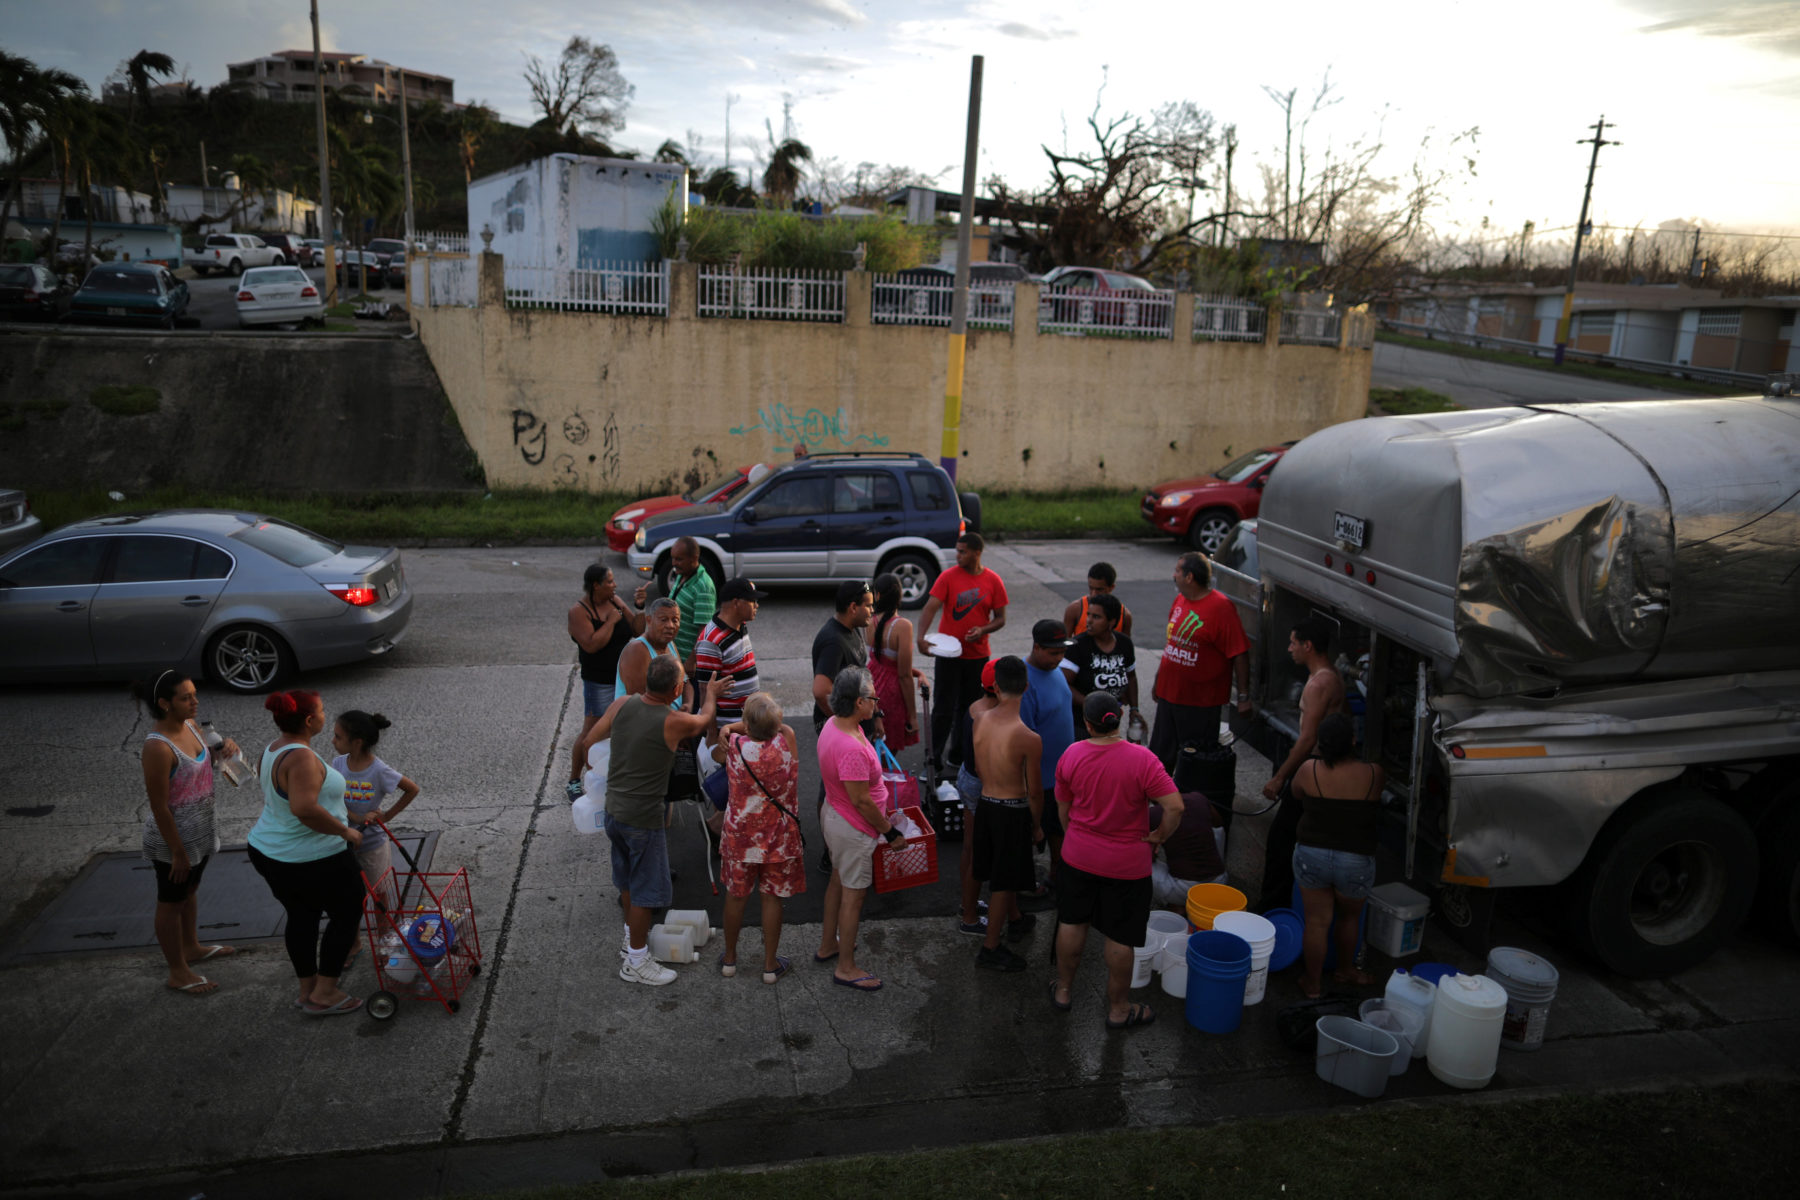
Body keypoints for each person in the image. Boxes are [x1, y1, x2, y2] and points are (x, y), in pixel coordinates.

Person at [588, 655, 729, 986]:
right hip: (643, 820)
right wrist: (710, 693)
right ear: (677, 688)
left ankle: (630, 942)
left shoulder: (622, 703)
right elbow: (705, 718)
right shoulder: (673, 720)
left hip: (614, 812)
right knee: (645, 893)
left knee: (626, 882)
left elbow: (588, 741)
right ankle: (636, 961)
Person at [1052, 692, 1183, 1029]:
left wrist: (1076, 838)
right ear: (1120, 718)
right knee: (1120, 937)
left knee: (1071, 922)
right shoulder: (1143, 760)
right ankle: (1119, 1009)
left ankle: (1063, 991)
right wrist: (1160, 836)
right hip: (1127, 865)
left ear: (1087, 722)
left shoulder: (1071, 754)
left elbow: (1064, 810)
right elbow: (1175, 806)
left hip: (1078, 856)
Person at [247, 689, 368, 1016]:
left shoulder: (273, 748)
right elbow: (304, 808)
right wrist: (346, 831)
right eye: (323, 711)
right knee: (347, 911)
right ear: (310, 720)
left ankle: (307, 989)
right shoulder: (301, 757)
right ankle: (325, 992)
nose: (327, 716)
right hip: (310, 857)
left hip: (270, 851)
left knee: (302, 916)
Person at [134, 670, 238, 996]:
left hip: (200, 832)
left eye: (194, 694)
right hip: (172, 842)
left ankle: (191, 947)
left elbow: (209, 765)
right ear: (164, 703)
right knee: (170, 902)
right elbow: (160, 807)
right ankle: (177, 971)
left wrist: (227, 750)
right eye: (185, 697)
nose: (195, 702)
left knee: (189, 891)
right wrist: (176, 851)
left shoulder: (192, 727)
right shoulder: (157, 747)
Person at [814, 667, 909, 993]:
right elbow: (862, 801)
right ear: (857, 702)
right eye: (872, 698)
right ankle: (846, 968)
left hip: (835, 816)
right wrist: (890, 832)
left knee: (838, 882)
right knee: (854, 898)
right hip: (852, 828)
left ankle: (829, 945)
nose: (876, 703)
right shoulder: (852, 746)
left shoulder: (833, 724)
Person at [710, 693, 803, 984]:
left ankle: (729, 959)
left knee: (736, 897)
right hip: (778, 839)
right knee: (771, 900)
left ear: (747, 726)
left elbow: (716, 752)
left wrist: (727, 729)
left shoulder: (736, 747)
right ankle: (769, 965)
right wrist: (757, 724)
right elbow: (782, 727)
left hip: (740, 841)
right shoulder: (786, 742)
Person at [1257, 616, 1349, 911]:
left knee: (1281, 839)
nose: (1289, 649)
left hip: (1316, 766)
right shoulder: (1329, 676)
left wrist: (1280, 777)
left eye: (1293, 643)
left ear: (1308, 646)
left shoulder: (1319, 683)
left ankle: (1273, 906)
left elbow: (1308, 739)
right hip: (1324, 766)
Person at [1291, 713, 1384, 998]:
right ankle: (1346, 970)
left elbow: (1296, 794)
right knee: (1348, 919)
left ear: (1322, 744)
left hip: (1312, 855)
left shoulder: (1309, 770)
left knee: (1317, 922)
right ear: (1353, 741)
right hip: (1355, 859)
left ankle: (1313, 983)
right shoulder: (1374, 773)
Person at [968, 655, 1042, 972]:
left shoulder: (980, 719)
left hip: (986, 804)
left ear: (996, 687)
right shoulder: (1028, 738)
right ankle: (990, 947)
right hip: (1012, 810)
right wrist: (1037, 826)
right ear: (1026, 687)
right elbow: (1035, 790)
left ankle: (1016, 918)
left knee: (999, 874)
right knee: (1004, 882)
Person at [1149, 551, 1250, 773]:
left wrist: (1243, 696)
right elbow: (1171, 644)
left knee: (1195, 763)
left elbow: (1239, 652)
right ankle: (1159, 802)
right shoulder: (1180, 600)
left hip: (1200, 703)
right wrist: (1159, 679)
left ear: (1189, 577)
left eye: (1177, 570)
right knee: (1160, 757)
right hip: (1169, 695)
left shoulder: (1221, 608)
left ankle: (1192, 804)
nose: (1173, 575)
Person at [916, 532, 1007, 775]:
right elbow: (930, 607)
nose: (958, 555)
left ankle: (959, 756)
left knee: (969, 709)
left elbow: (1000, 619)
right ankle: (933, 762)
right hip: (949, 657)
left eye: (963, 551)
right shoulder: (948, 577)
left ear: (977, 552)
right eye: (957, 550)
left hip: (977, 657)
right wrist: (921, 637)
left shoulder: (993, 581)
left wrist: (983, 629)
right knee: (943, 709)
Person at [811, 580, 879, 871]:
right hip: (839, 724)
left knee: (850, 785)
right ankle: (831, 850)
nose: (872, 610)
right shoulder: (833, 640)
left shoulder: (853, 630)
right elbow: (820, 688)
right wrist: (841, 724)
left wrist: (873, 714)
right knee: (833, 790)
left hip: (854, 722)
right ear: (853, 607)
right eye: (868, 605)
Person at [566, 562, 644, 799]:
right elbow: (590, 645)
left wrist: (639, 606)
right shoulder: (578, 612)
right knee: (592, 730)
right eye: (609, 581)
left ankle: (608, 776)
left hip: (623, 678)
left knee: (621, 729)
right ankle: (574, 780)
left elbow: (638, 630)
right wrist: (610, 621)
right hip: (598, 681)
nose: (615, 585)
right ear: (596, 585)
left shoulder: (615, 601)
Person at [329, 710, 420, 905]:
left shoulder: (378, 770)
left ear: (357, 742)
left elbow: (412, 789)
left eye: (338, 737)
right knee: (348, 899)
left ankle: (384, 935)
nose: (332, 741)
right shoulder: (337, 765)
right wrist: (357, 817)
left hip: (372, 845)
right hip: (342, 843)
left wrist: (387, 816)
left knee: (379, 895)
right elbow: (333, 800)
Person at [1018, 619, 1077, 894]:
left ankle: (1057, 874)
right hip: (1042, 780)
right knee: (1043, 831)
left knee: (1061, 830)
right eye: (1053, 653)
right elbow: (1024, 740)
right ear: (1037, 647)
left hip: (1064, 774)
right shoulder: (1025, 683)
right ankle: (1032, 884)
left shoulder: (1055, 670)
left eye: (1062, 652)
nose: (1059, 658)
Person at [955, 660, 1000, 934]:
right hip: (981, 786)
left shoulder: (975, 706)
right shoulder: (991, 717)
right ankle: (970, 918)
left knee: (970, 847)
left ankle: (967, 904)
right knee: (980, 853)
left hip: (967, 778)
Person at [1063, 593, 1143, 739]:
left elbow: (1131, 676)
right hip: (1082, 724)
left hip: (1111, 722)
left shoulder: (1124, 644)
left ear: (1111, 622)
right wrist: (1091, 704)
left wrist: (1134, 709)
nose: (1089, 621)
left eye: (1096, 617)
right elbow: (1064, 684)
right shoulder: (1077, 646)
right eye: (1089, 615)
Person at [693, 577, 768, 733]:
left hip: (748, 723)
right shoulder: (711, 641)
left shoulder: (740, 624)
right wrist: (712, 736)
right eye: (752, 601)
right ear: (736, 603)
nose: (757, 605)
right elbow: (705, 692)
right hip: (727, 729)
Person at [865, 573, 923, 753]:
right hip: (891, 693)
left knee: (872, 746)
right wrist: (913, 716)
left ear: (878, 595)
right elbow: (903, 674)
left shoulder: (869, 620)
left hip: (870, 684)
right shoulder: (902, 626)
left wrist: (918, 673)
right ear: (899, 596)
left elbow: (882, 661)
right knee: (887, 752)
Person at [1148, 793, 1229, 907]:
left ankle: (1176, 905)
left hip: (1185, 891)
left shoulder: (1152, 815)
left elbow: (1149, 857)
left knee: (1136, 858)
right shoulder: (1198, 798)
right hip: (1219, 882)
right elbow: (1219, 823)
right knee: (1217, 830)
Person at [614, 597, 686, 706]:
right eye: (663, 619)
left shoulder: (670, 644)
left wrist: (688, 705)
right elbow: (642, 703)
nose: (670, 625)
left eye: (675, 620)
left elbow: (684, 680)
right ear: (649, 621)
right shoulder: (637, 650)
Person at [665, 537, 716, 671]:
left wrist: (691, 661)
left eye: (679, 559)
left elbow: (704, 631)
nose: (674, 563)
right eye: (673, 558)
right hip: (674, 657)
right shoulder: (682, 574)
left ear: (694, 558)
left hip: (687, 664)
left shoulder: (703, 586)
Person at [1061, 561, 1134, 640]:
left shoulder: (1124, 615)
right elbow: (1064, 643)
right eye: (1091, 588)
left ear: (1111, 587)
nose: (1094, 594)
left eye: (1099, 590)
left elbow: (1125, 646)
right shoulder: (1075, 609)